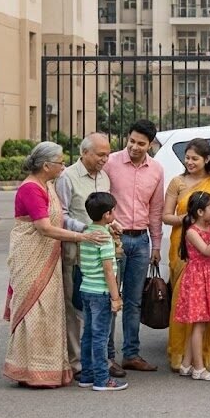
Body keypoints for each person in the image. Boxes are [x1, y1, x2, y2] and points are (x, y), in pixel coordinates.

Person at [3, 142, 109, 388]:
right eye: (60, 162)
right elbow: (44, 228)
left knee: (49, 311)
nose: (63, 166)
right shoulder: (31, 189)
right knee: (33, 310)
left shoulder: (48, 185)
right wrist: (82, 237)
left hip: (49, 255)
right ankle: (28, 371)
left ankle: (46, 369)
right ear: (45, 165)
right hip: (31, 255)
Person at [55, 133, 127, 381]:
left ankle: (102, 360)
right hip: (77, 252)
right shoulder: (67, 177)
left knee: (101, 310)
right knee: (76, 309)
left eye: (107, 154)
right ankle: (78, 363)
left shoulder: (104, 177)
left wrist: (112, 224)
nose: (105, 159)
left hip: (102, 249)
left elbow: (103, 213)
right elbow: (61, 215)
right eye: (100, 154)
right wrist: (86, 230)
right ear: (84, 152)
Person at [162, 138, 210, 372]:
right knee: (185, 302)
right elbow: (166, 216)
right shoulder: (177, 182)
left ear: (207, 159)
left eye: (195, 158)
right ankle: (182, 358)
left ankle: (205, 358)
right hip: (184, 247)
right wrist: (190, 218)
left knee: (208, 302)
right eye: (187, 158)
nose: (189, 162)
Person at [104, 119, 164, 372]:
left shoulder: (156, 170)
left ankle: (131, 354)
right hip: (113, 240)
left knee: (134, 301)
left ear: (150, 145)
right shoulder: (110, 163)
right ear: (127, 138)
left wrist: (156, 245)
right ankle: (107, 357)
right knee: (111, 298)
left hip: (141, 241)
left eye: (141, 143)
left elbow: (156, 210)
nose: (135, 147)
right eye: (132, 141)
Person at [173, 190, 210, 381]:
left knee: (200, 324)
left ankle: (186, 364)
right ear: (200, 212)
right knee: (199, 324)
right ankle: (199, 368)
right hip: (198, 281)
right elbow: (208, 251)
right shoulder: (192, 232)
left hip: (208, 279)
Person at [78, 192, 128, 392]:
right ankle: (102, 379)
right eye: (113, 211)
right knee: (101, 337)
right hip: (101, 292)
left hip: (86, 289)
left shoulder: (88, 233)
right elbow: (108, 270)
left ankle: (87, 375)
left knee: (88, 335)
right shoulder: (104, 239)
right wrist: (116, 297)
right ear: (107, 214)